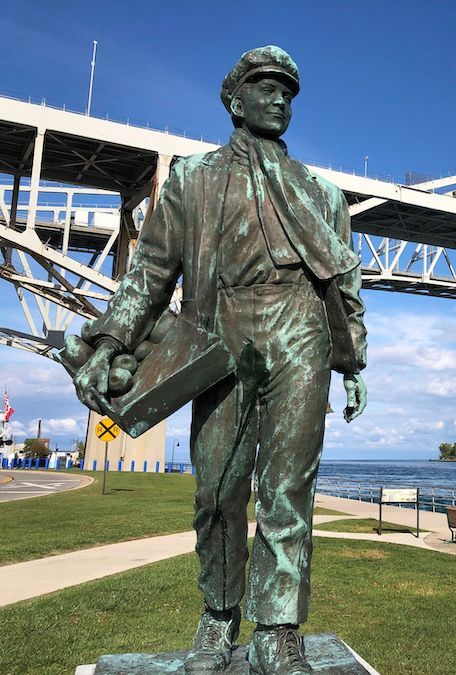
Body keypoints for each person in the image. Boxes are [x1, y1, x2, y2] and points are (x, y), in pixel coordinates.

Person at [71, 46, 367, 674]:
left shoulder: (324, 195)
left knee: (287, 489)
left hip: (301, 330)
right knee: (218, 486)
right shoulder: (191, 181)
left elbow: (345, 286)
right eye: (265, 87)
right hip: (222, 329)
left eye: (288, 90)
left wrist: (354, 361)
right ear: (235, 101)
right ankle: (219, 615)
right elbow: (149, 271)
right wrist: (111, 341)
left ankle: (279, 628)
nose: (280, 98)